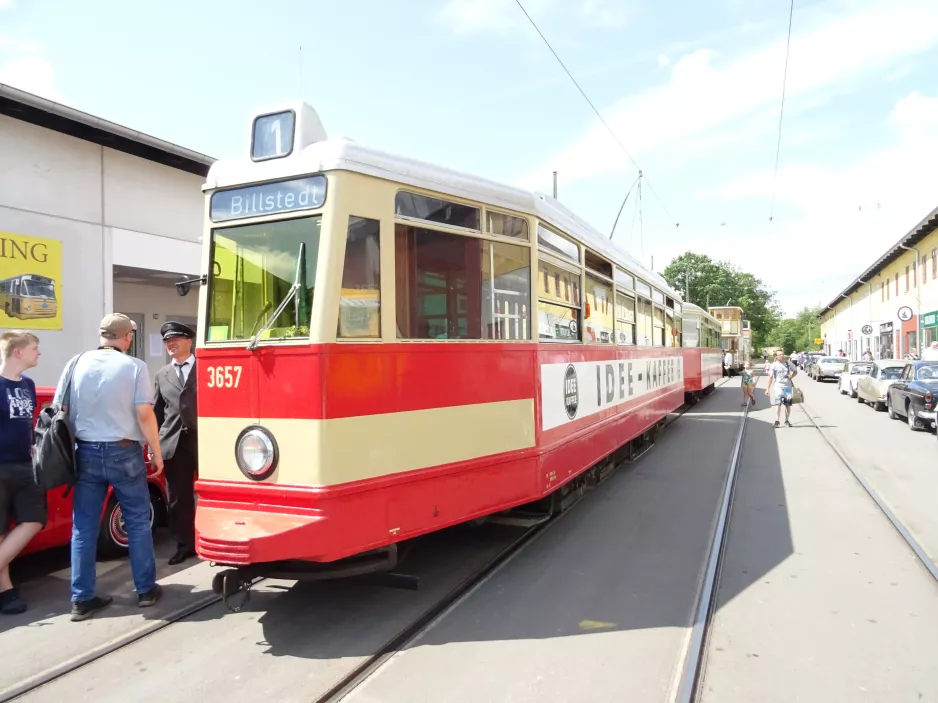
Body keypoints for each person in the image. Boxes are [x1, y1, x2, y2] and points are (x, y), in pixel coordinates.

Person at [55, 313, 164, 621]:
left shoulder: (75, 363)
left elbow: (61, 410)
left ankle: (82, 598)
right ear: (126, 338)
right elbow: (144, 413)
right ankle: (145, 591)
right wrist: (155, 451)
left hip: (85, 452)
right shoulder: (134, 367)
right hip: (124, 452)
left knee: (84, 527)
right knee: (138, 521)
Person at [0, 331, 44, 615]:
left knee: (35, 519)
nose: (38, 353)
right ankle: (6, 591)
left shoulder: (28, 384)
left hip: (26, 465)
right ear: (18, 352)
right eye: (34, 348)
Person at [153, 321, 198, 565]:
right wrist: (153, 447)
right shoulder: (162, 374)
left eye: (176, 339)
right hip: (173, 443)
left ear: (189, 341)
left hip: (204, 441)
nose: (171, 344)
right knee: (177, 498)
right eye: (167, 341)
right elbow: (157, 412)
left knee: (209, 493)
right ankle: (185, 544)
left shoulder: (205, 367)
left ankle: (211, 538)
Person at [765, 350, 797, 428]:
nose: (782, 356)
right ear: (776, 356)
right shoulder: (774, 365)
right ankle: (777, 420)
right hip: (778, 386)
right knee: (778, 403)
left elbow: (795, 371)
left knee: (787, 404)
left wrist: (791, 376)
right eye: (780, 355)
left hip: (787, 387)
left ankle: (786, 420)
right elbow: (771, 377)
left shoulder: (788, 363)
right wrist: (767, 389)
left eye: (782, 354)